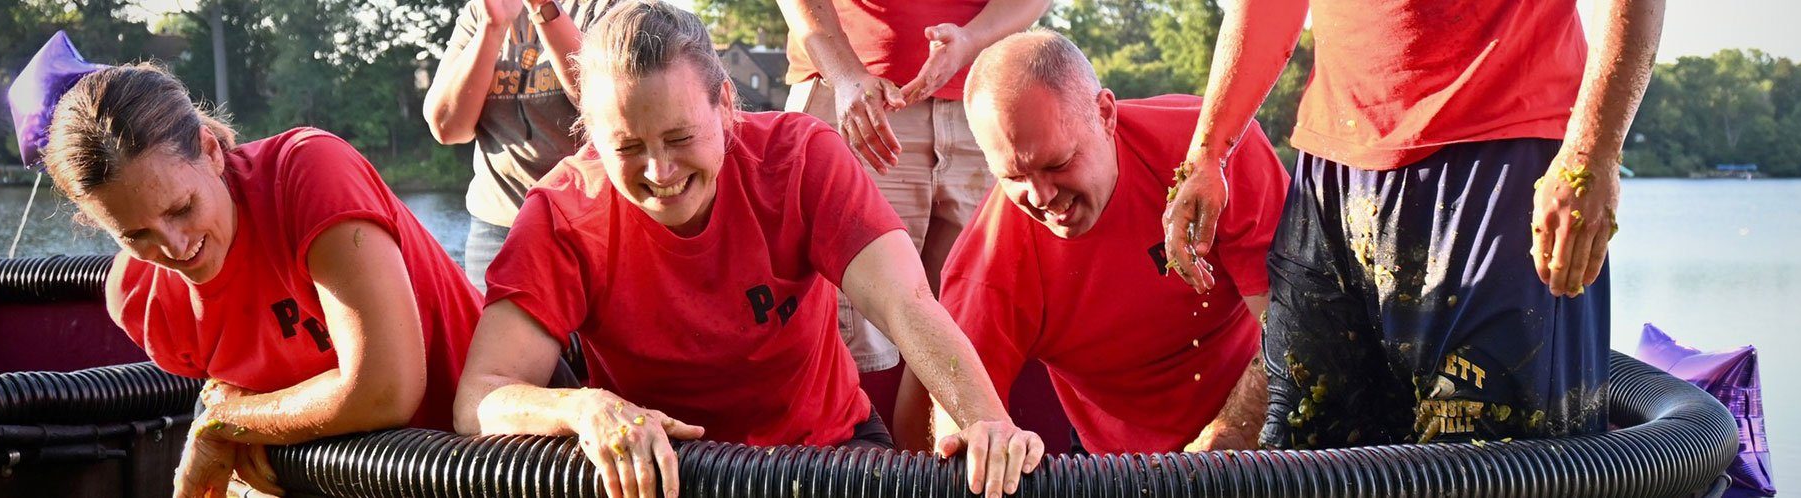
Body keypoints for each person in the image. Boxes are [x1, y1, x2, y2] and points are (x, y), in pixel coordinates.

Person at [451, 4, 1043, 498]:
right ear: (591, 134)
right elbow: (479, 398)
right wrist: (584, 410)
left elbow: (908, 306)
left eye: (680, 138)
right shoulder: (562, 212)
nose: (660, 172)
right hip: (667, 475)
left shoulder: (800, 157)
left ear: (727, 106)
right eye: (627, 146)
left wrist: (986, 422)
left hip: (829, 458)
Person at [1161, 0, 1664, 449]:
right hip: (1331, 171)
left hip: (1501, 156)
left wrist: (1591, 153)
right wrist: (1208, 152)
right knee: (1305, 452)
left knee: (1491, 467)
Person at [41, 64, 482, 497]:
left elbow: (386, 390)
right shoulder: (142, 298)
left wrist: (227, 422)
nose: (175, 247)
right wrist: (234, 419)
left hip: (480, 463)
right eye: (136, 235)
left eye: (181, 208)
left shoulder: (309, 172)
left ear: (211, 151)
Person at [918, 31, 1292, 454]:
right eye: (1014, 177)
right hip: (1120, 468)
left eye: (1057, 163)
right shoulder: (988, 266)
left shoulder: (1213, 157)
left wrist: (1225, 440)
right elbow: (959, 418)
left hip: (1270, 414)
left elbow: (1293, 327)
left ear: (1105, 114)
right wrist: (975, 445)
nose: (1041, 198)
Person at [775, 0, 1048, 381]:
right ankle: (853, 443)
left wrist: (969, 41)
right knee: (844, 337)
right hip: (855, 95)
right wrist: (845, 74)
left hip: (983, 101)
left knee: (960, 331)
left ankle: (929, 443)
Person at [425, 0, 622, 290]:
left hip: (588, 229)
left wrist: (544, 9)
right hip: (495, 233)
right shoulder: (482, 11)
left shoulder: (611, 7)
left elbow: (610, 109)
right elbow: (447, 128)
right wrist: (492, 28)